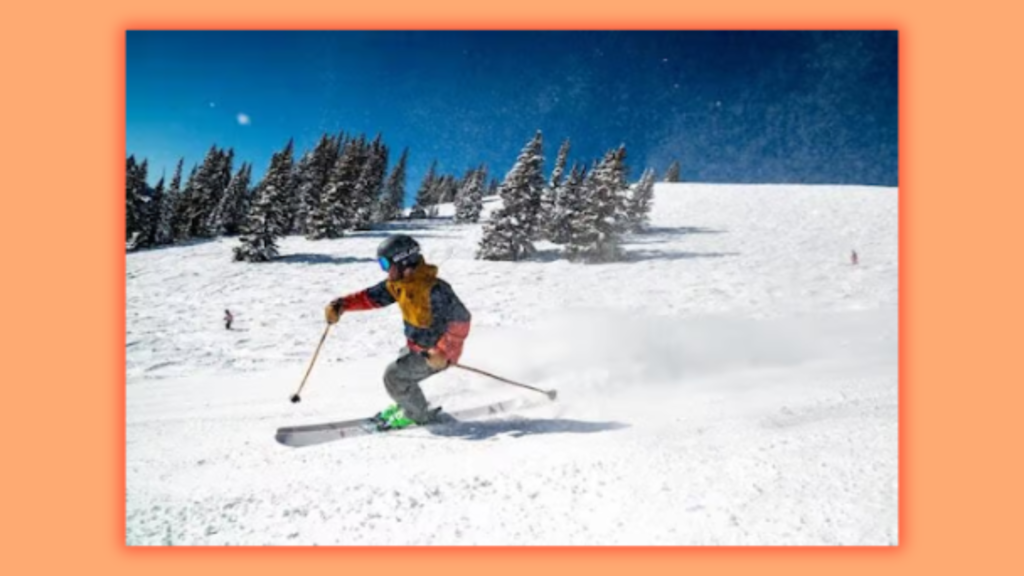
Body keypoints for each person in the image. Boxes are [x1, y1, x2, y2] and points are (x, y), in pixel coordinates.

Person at [325, 234, 471, 428]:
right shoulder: (399, 285)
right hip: (415, 346)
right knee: (402, 374)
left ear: (404, 263)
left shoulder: (435, 290)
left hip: (437, 354)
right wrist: (342, 305)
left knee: (394, 377)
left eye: (386, 264)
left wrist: (443, 351)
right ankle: (409, 403)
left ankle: (418, 414)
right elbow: (371, 297)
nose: (385, 271)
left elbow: (461, 320)